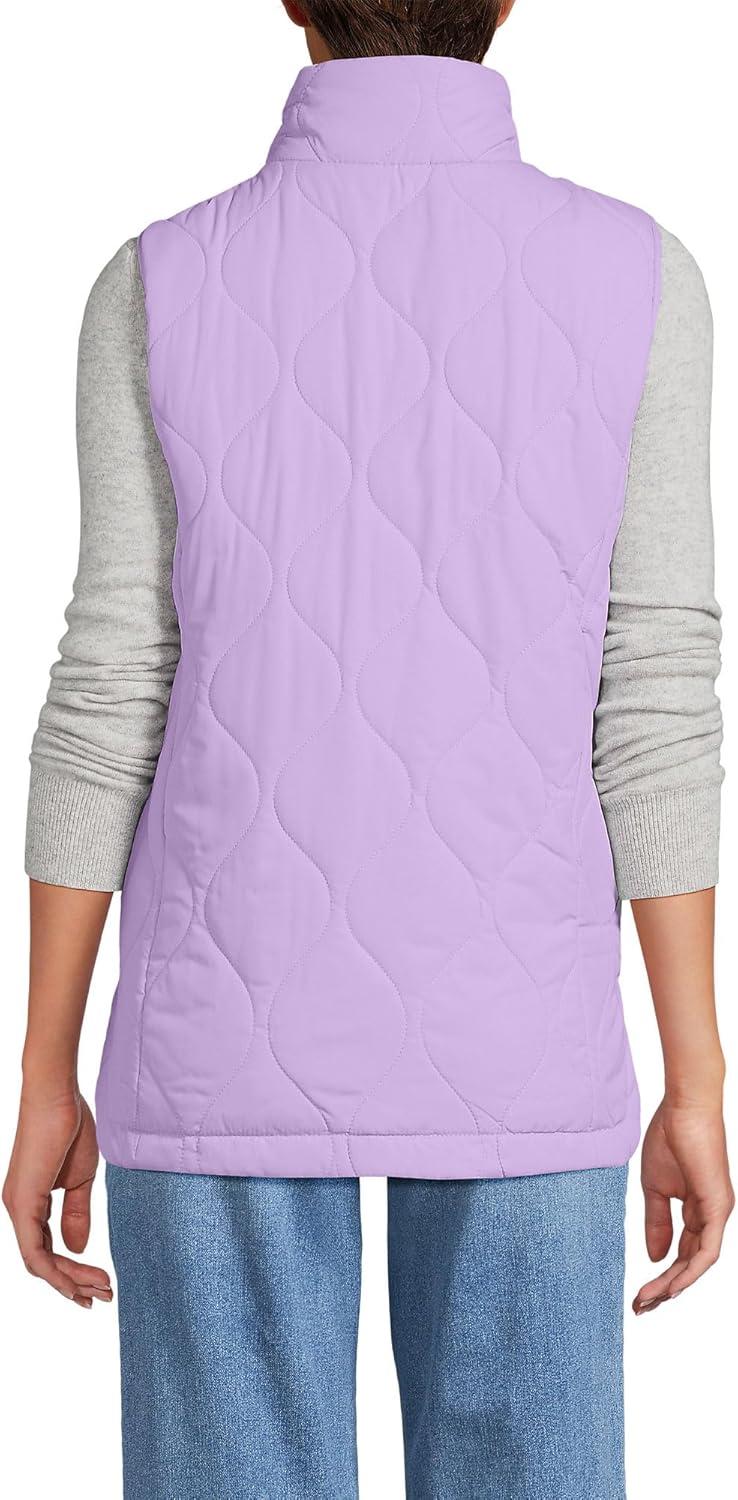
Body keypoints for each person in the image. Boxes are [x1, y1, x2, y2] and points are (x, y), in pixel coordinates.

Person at [3, 1, 734, 1496]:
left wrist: (47, 1072)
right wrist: (694, 1074)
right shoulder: (640, 277)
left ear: (294, 0)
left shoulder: (157, 280)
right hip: (527, 1045)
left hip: (211, 1048)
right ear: (506, 0)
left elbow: (109, 690)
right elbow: (654, 694)